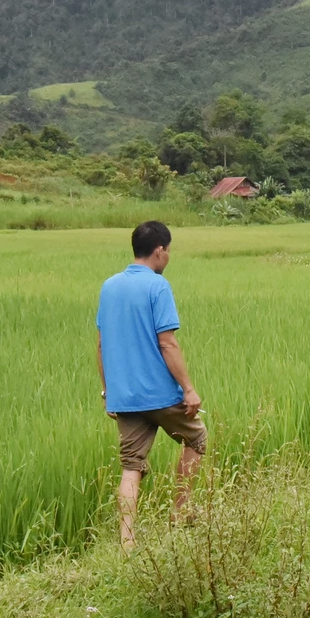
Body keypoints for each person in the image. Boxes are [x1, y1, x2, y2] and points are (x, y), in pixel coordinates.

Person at [97, 220, 206, 551]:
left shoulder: (109, 286)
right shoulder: (158, 286)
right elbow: (167, 343)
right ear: (159, 251)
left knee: (131, 467)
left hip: (125, 396)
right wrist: (188, 388)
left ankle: (127, 541)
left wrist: (108, 392)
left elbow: (101, 345)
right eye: (168, 251)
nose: (168, 257)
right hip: (159, 393)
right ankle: (181, 510)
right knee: (196, 437)